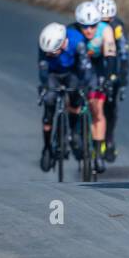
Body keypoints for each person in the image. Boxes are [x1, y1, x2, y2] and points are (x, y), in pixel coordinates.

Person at [37, 21, 94, 172]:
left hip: (72, 72)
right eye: (47, 52)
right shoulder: (45, 44)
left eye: (52, 52)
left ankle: (74, 132)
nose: (48, 54)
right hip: (53, 74)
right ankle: (47, 147)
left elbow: (85, 68)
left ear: (63, 43)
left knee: (76, 96)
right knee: (49, 102)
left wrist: (84, 85)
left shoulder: (77, 42)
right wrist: (44, 86)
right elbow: (43, 70)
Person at [73, 0, 116, 174]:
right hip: (77, 66)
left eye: (93, 26)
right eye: (85, 26)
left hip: (98, 66)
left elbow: (111, 55)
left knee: (97, 109)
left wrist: (108, 79)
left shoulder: (106, 30)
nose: (89, 30)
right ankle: (72, 131)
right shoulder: (72, 31)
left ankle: (98, 153)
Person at [93, 0, 128, 163]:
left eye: (108, 21)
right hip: (93, 67)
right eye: (100, 21)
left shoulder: (117, 27)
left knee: (110, 108)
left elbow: (123, 54)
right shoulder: (88, 26)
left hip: (112, 66)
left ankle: (109, 140)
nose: (103, 25)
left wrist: (121, 80)